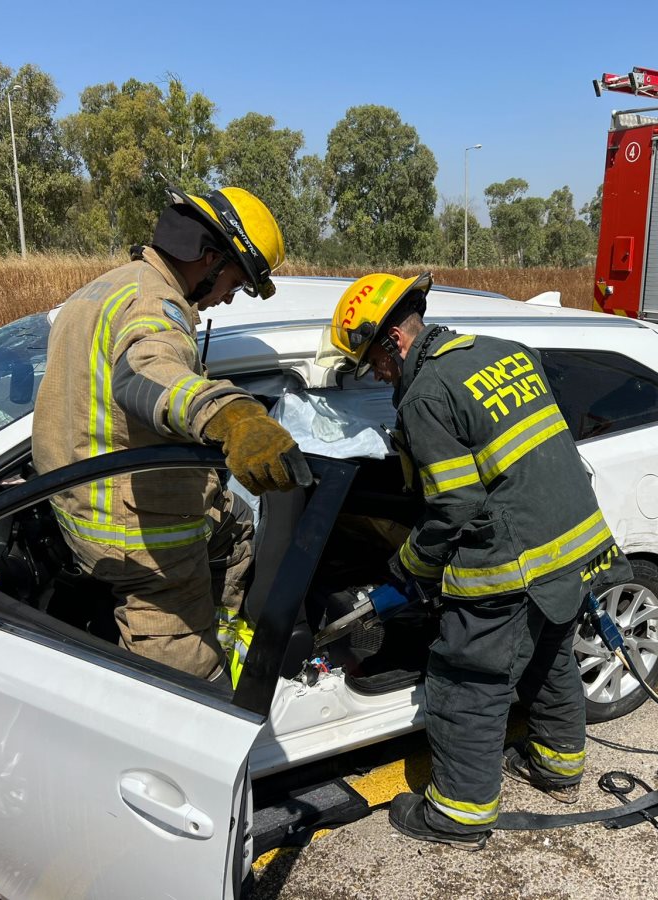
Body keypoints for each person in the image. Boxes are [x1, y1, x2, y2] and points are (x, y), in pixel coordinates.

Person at [320, 273, 626, 850]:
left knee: (467, 681)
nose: (378, 376)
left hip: (511, 563)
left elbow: (454, 506)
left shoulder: (426, 396)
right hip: (573, 540)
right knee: (549, 657)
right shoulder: (501, 352)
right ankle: (559, 769)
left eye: (374, 364)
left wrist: (409, 568)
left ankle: (459, 815)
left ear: (393, 343)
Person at [33, 186, 307, 682]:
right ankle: (207, 687)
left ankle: (223, 633)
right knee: (185, 676)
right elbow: (147, 373)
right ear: (208, 260)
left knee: (237, 523)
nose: (226, 297)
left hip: (78, 501)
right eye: (235, 283)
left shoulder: (108, 286)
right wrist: (235, 418)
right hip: (136, 535)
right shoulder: (153, 307)